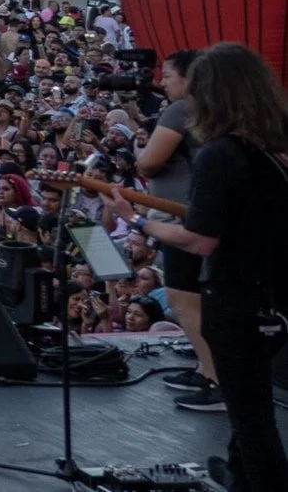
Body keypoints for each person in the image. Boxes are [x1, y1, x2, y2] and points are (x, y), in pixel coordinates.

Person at [100, 43, 288, 491]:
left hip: (234, 295)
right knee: (253, 405)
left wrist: (137, 221)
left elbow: (200, 240)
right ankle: (238, 476)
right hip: (271, 294)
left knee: (251, 418)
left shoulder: (219, 155)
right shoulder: (273, 152)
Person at [134, 50, 220, 410]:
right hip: (203, 214)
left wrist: (141, 155)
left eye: (168, 76)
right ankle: (205, 368)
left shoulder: (181, 108)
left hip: (182, 216)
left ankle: (216, 379)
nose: (162, 82)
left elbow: (148, 163)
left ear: (188, 77)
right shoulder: (217, 110)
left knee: (182, 295)